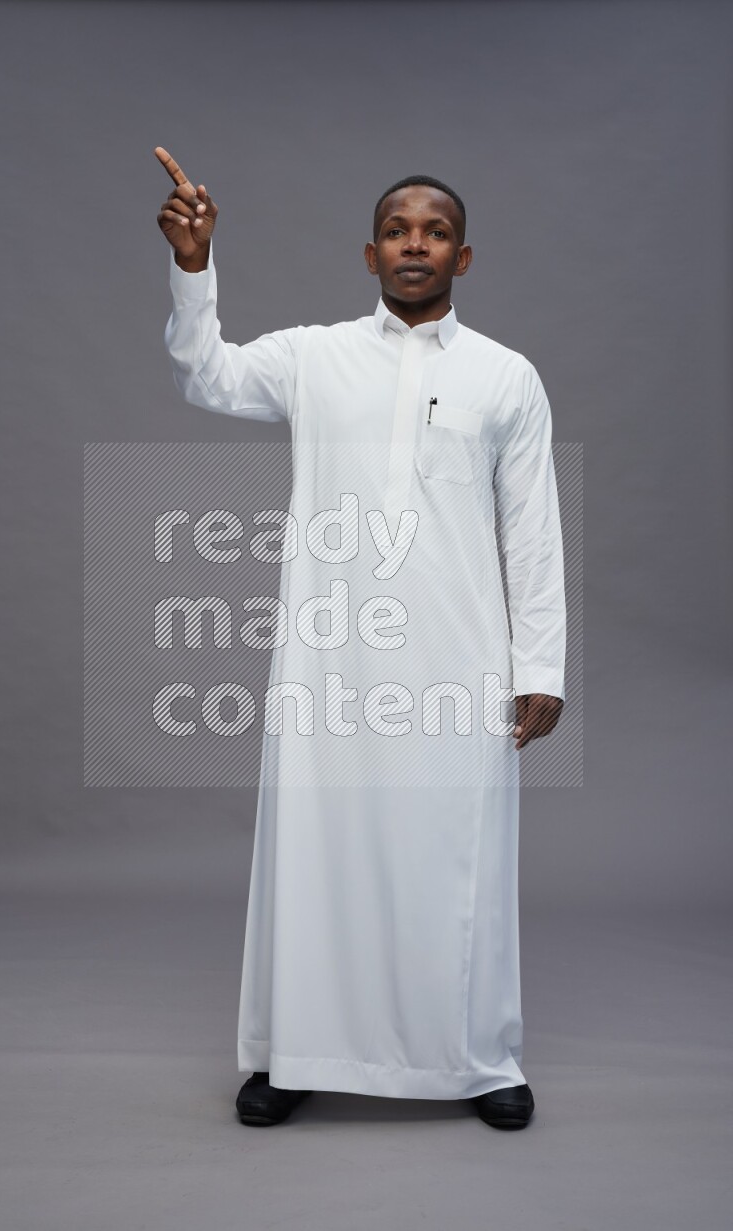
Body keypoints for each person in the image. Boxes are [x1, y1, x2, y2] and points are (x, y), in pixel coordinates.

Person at [155, 146, 566, 1130]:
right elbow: (207, 374)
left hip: (458, 660)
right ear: (370, 253)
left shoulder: (506, 377)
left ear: (462, 257)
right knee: (316, 852)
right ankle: (296, 1051)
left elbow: (531, 529)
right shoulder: (313, 357)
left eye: (434, 231)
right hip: (329, 657)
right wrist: (193, 266)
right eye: (396, 230)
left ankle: (478, 1057)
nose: (414, 244)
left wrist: (540, 665)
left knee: (457, 858)